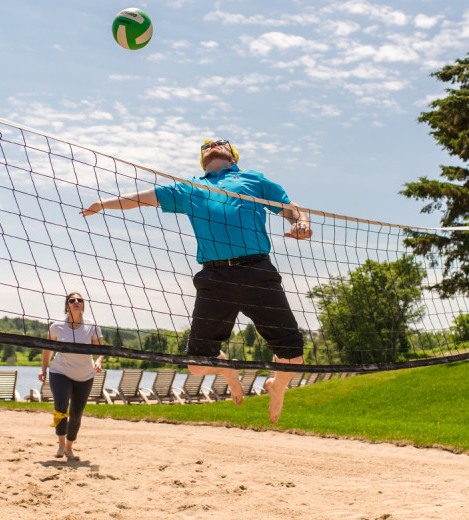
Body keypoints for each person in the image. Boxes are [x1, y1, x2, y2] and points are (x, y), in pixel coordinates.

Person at [81, 139, 312, 423]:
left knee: (294, 359)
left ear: (233, 156)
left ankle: (277, 387)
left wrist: (300, 221)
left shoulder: (253, 179)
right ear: (202, 159)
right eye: (208, 145)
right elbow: (143, 198)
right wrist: (103, 204)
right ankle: (227, 369)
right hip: (214, 277)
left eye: (220, 143)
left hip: (257, 271)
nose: (213, 145)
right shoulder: (190, 187)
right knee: (196, 366)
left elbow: (290, 208)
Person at [39, 292, 105, 460]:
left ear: (83, 304)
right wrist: (43, 369)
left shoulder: (92, 325)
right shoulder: (56, 326)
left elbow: (100, 351)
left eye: (79, 300)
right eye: (72, 300)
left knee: (76, 414)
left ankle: (69, 446)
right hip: (60, 371)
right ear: (67, 305)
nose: (76, 302)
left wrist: (98, 362)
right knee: (61, 404)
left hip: (85, 375)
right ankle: (61, 443)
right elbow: (47, 349)